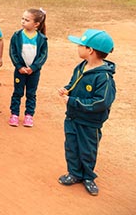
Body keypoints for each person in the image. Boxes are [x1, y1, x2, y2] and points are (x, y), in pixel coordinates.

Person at [57, 29, 116, 196]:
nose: (77, 47)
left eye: (80, 45)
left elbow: (101, 102)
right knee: (71, 146)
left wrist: (73, 101)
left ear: (90, 50)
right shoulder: (81, 66)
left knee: (87, 149)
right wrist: (67, 90)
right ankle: (74, 173)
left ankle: (88, 177)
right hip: (73, 117)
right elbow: (73, 83)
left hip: (90, 123)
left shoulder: (103, 77)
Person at [8, 8, 48, 127]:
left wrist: (34, 67)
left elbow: (43, 55)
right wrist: (19, 66)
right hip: (20, 71)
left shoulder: (42, 38)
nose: (23, 21)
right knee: (17, 92)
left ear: (36, 24)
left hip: (33, 72)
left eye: (27, 20)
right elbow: (13, 52)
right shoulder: (17, 35)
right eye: (22, 19)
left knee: (31, 93)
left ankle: (29, 115)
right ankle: (14, 114)